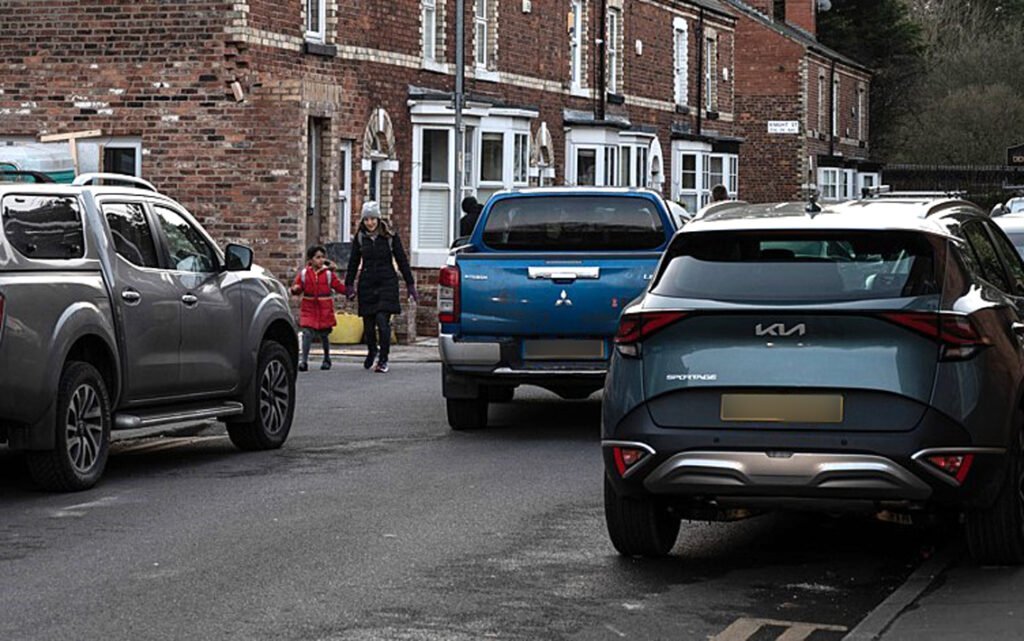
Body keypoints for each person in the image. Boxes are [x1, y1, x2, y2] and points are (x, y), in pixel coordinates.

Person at [345, 201, 418, 374]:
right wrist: (349, 284)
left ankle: (383, 359)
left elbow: (401, 260)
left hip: (387, 282)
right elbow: (353, 262)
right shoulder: (360, 238)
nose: (370, 223)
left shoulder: (390, 237)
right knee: (368, 326)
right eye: (366, 219)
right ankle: (372, 350)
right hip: (367, 283)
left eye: (373, 219)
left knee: (382, 322)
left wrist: (410, 284)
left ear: (379, 219)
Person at [291, 245, 347, 372]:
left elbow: (337, 286)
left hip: (324, 308)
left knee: (324, 335)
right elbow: (298, 285)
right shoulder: (305, 273)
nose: (320, 260)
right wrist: (295, 289)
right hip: (309, 306)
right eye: (317, 257)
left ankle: (327, 358)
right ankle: (304, 361)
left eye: (322, 257)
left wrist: (349, 292)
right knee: (307, 333)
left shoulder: (328, 274)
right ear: (311, 260)